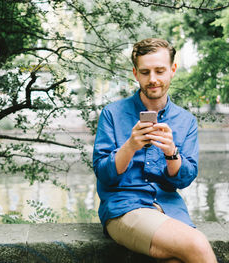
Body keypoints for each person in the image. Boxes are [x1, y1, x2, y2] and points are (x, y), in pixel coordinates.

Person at [92, 38, 217, 263]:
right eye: (145, 72)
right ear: (135, 73)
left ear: (172, 70)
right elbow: (103, 174)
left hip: (170, 209)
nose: (153, 79)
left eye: (160, 71)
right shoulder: (112, 114)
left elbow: (185, 179)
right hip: (124, 208)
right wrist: (130, 145)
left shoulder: (186, 120)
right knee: (197, 244)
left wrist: (171, 152)